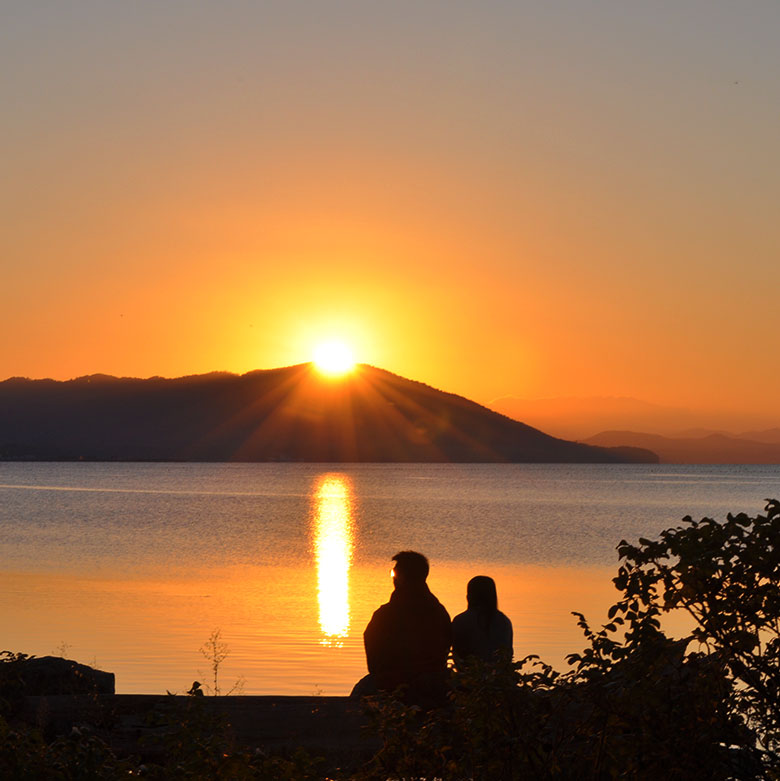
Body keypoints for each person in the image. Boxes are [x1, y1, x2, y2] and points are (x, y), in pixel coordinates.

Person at [354, 550, 452, 705]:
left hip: (396, 685)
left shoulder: (385, 615)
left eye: (394, 574)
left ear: (402, 578)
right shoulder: (439, 612)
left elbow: (373, 662)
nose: (392, 579)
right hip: (433, 683)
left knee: (361, 692)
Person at [451, 575, 513, 666]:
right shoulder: (504, 621)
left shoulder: (461, 621)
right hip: (500, 677)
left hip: (469, 677)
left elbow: (457, 656)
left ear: (469, 596)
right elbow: (508, 655)